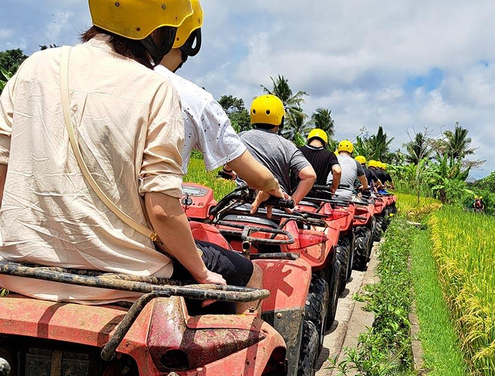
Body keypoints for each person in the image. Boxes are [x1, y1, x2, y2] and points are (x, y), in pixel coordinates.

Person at [0, 0, 241, 305]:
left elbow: (2, 172)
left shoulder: (34, 66)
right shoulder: (156, 89)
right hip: (124, 281)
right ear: (162, 32)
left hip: (21, 274)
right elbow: (161, 211)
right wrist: (202, 273)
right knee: (246, 275)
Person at [153, 0, 286, 307]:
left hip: (42, 253)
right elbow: (161, 209)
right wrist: (273, 188)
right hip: (143, 248)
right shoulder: (188, 97)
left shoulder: (53, 72)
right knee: (251, 276)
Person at [239, 95, 316, 205]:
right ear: (281, 119)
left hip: (241, 203)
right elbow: (309, 175)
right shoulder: (287, 145)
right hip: (276, 206)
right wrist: (292, 201)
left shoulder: (240, 138)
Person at [299, 128, 341, 194]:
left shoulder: (298, 150)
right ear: (325, 142)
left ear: (309, 139)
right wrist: (333, 188)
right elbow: (337, 171)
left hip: (296, 196)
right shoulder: (329, 155)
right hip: (318, 198)